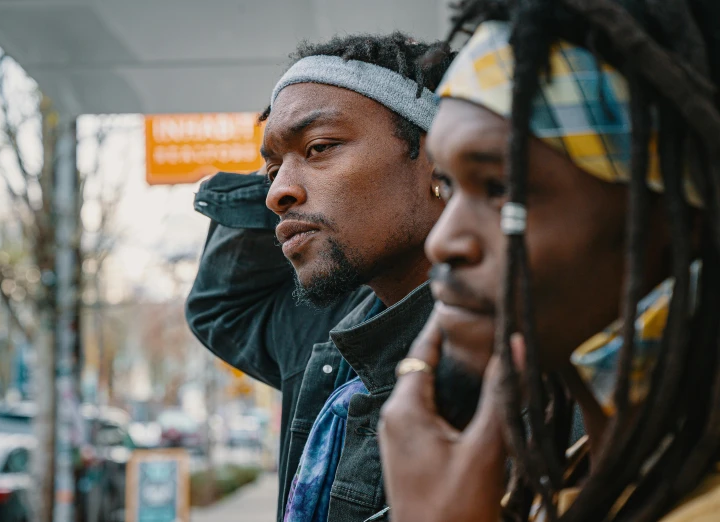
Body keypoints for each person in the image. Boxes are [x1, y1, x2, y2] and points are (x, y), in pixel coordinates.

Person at [379, 1, 720, 521]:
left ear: (682, 222)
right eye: (446, 186)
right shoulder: (566, 480)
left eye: (501, 189)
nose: (443, 243)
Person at [185, 33, 473, 522]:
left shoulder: (521, 362)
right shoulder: (338, 340)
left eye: (318, 147)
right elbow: (221, 310)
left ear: (439, 160)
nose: (275, 193)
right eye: (271, 169)